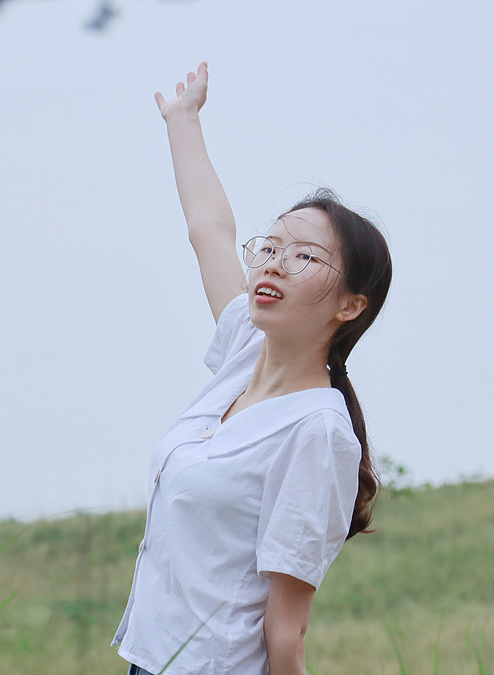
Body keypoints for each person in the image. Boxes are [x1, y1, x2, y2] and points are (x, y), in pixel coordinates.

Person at [111, 62, 393, 675]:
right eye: (271, 247)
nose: (273, 263)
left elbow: (286, 635)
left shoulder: (317, 433)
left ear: (350, 305)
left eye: (305, 256)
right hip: (150, 662)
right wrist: (183, 121)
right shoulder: (245, 348)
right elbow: (208, 230)